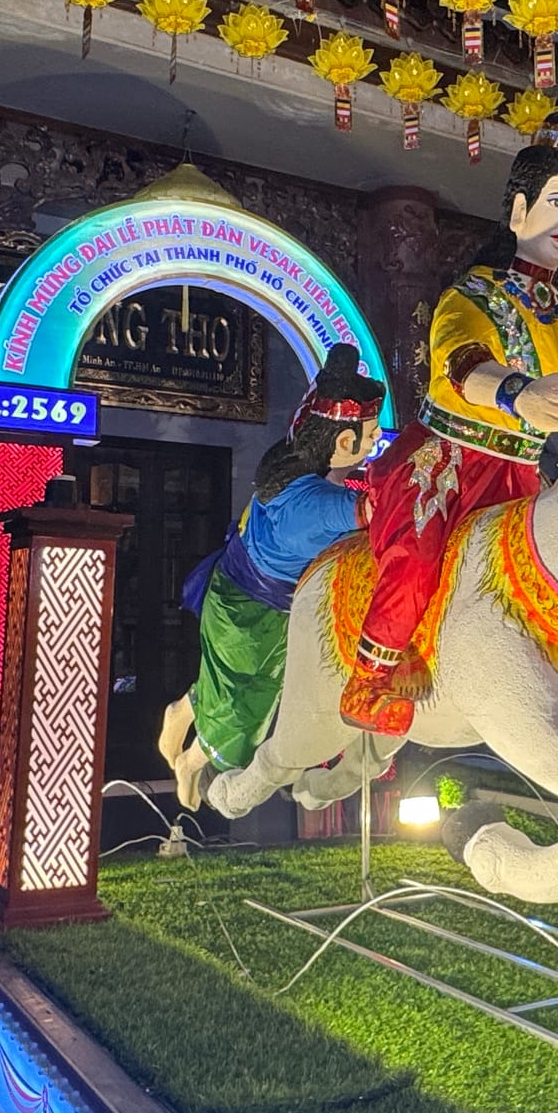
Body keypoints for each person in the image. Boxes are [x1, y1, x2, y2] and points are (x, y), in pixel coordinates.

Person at [341, 112, 558, 735]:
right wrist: (519, 394)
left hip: (521, 473)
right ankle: (370, 678)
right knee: (416, 557)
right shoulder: (474, 295)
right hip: (447, 464)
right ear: (519, 211)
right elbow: (462, 365)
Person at [159, 344, 386, 807]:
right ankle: (191, 764)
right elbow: (379, 513)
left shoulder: (293, 461)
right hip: (253, 610)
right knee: (246, 706)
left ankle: (183, 711)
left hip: (253, 596)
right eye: (370, 433)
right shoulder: (315, 505)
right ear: (343, 443)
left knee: (242, 683)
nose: (378, 438)